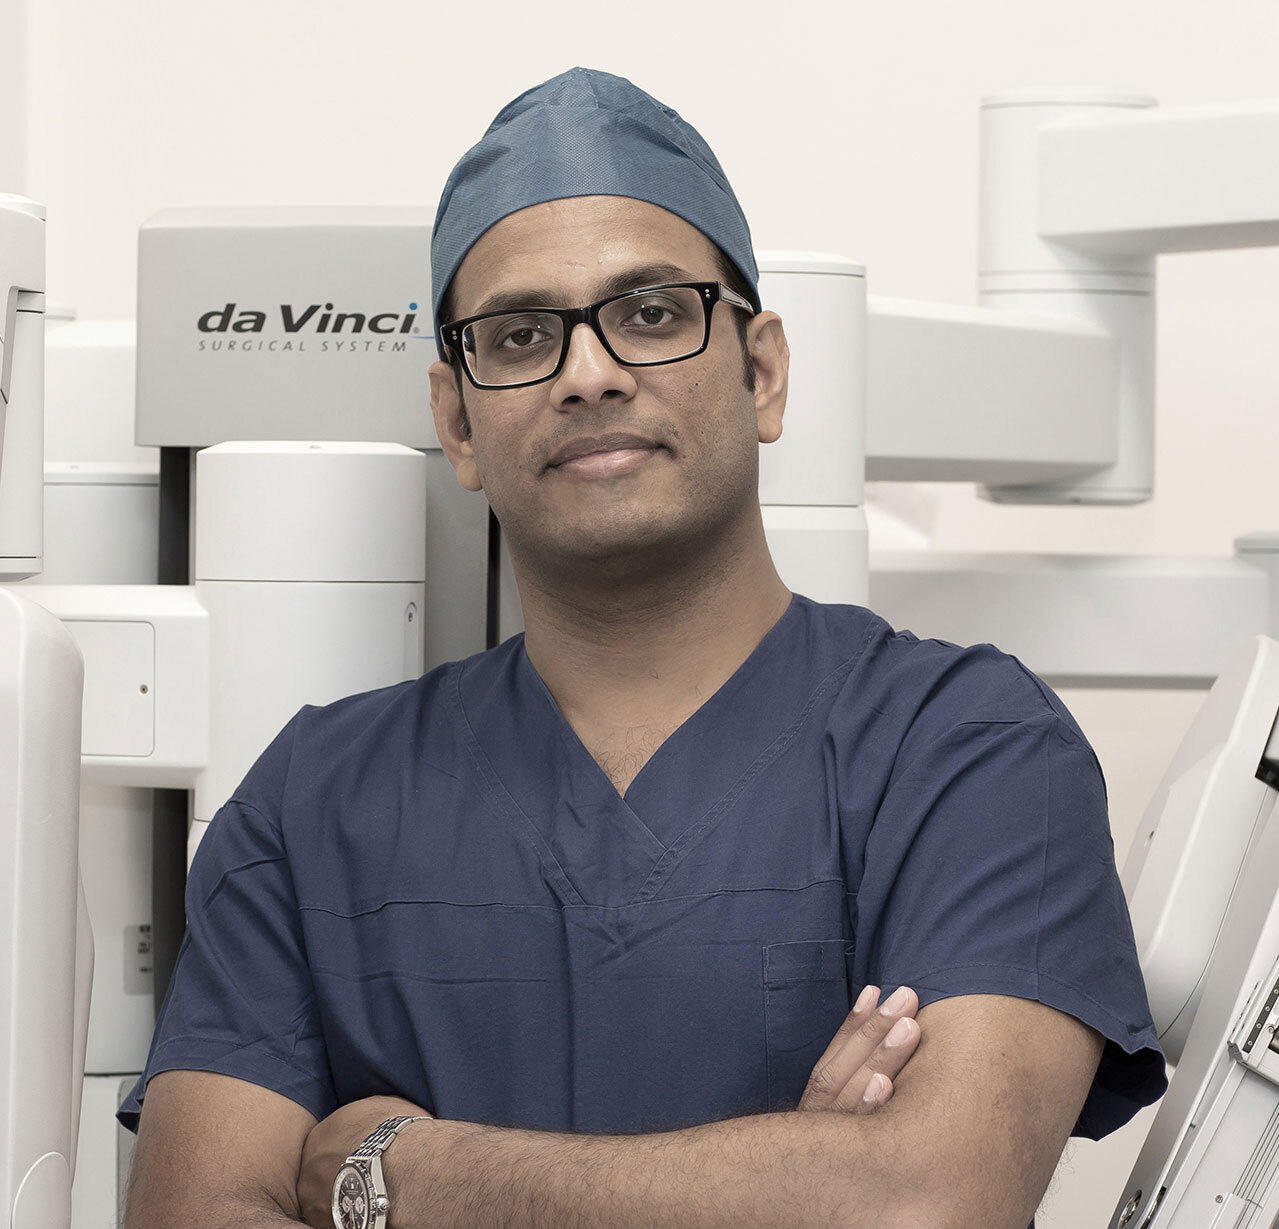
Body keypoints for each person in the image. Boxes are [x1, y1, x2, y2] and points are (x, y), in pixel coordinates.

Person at [119, 67, 1166, 1229]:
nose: (590, 372)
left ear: (762, 372)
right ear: (457, 422)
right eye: (521, 335)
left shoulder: (966, 751)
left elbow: (921, 1201)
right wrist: (793, 1181)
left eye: (653, 313)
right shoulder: (315, 803)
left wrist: (403, 1171)